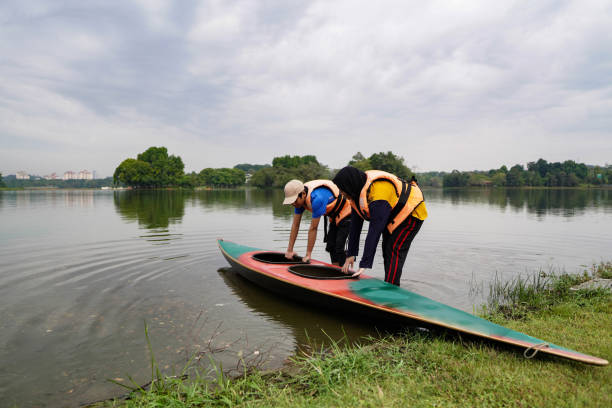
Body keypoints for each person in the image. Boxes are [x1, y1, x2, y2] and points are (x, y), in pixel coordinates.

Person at [332, 166, 427, 286]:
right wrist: (351, 254)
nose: (341, 193)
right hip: (393, 214)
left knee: (394, 249)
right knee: (386, 249)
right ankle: (390, 283)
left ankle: (392, 289)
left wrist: (364, 263)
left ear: (349, 185)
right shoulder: (357, 193)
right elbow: (355, 227)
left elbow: (374, 231)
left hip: (412, 213)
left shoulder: (379, 195)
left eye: (342, 189)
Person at [283, 179, 352, 265]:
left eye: (294, 201)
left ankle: (344, 272)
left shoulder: (317, 199)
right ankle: (336, 269)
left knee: (339, 246)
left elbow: (313, 228)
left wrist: (308, 255)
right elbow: (295, 225)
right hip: (334, 216)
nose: (293, 204)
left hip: (348, 213)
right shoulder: (298, 201)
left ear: (303, 194)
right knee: (331, 246)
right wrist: (289, 250)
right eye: (291, 202)